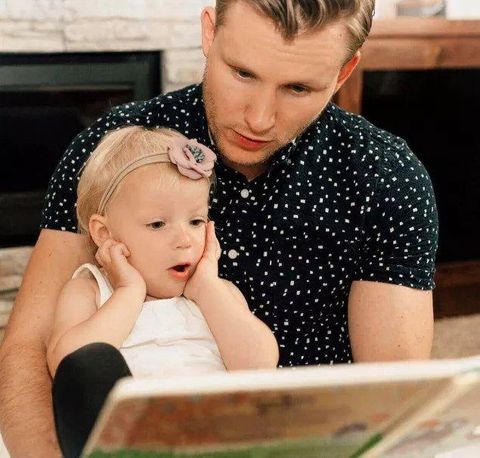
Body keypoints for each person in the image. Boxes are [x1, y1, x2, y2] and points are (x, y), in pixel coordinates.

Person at [0, 1, 438, 456]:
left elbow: (393, 395)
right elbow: (30, 351)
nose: (260, 118)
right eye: (242, 73)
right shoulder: (112, 151)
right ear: (209, 33)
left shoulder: (385, 175)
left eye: (298, 88)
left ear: (344, 72)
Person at [46, 125, 278, 457]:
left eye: (196, 222)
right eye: (158, 224)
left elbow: (259, 365)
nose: (184, 239)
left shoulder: (215, 294)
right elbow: (72, 367)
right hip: (132, 442)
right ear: (105, 233)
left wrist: (208, 289)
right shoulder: (91, 290)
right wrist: (128, 292)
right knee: (94, 364)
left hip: (216, 437)